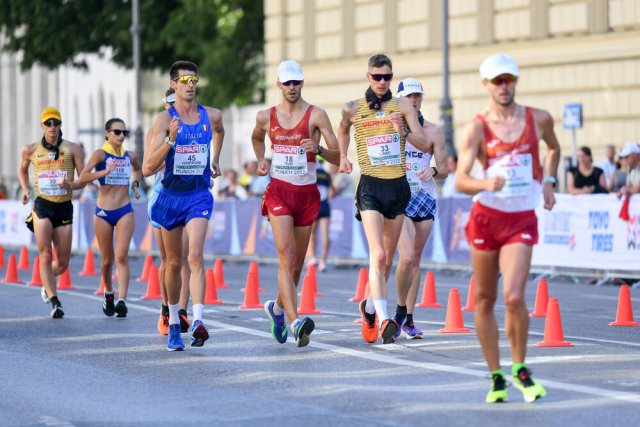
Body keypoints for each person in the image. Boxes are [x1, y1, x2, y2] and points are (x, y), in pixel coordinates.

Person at [455, 54, 560, 403]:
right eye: (497, 81)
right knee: (484, 298)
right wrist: (485, 184)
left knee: (514, 295)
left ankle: (520, 368)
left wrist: (549, 183)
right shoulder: (477, 128)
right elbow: (461, 180)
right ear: (485, 84)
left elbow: (554, 150)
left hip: (520, 220)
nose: (504, 86)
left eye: (508, 79)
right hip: (487, 217)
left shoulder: (538, 118)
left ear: (515, 81)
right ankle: (496, 375)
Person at [338, 54, 430, 344]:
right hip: (370, 187)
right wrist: (342, 155)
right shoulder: (352, 108)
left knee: (388, 260)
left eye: (387, 77)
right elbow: (342, 128)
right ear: (368, 77)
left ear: (391, 78)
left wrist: (400, 130)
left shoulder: (403, 106)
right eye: (376, 77)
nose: (381, 82)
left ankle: (367, 309)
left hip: (398, 186)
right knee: (377, 255)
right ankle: (384, 319)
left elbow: (424, 142)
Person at [252, 59, 340, 347]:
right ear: (278, 84)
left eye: (296, 82)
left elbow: (339, 156)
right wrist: (260, 160)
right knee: (285, 257)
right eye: (287, 82)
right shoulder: (266, 116)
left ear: (302, 83)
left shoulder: (317, 115)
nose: (292, 87)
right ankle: (295, 321)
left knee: (297, 267)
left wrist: (320, 150)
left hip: (306, 195)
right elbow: (256, 138)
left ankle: (276, 309)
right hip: (279, 193)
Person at [143, 60, 224, 351]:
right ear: (173, 85)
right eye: (184, 80)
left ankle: (199, 320)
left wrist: (215, 160)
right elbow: (147, 168)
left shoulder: (211, 116)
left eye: (194, 79)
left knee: (195, 256)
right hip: (168, 197)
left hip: (198, 195)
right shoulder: (164, 121)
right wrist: (169, 140)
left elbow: (220, 132)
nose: (190, 84)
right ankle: (173, 322)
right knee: (172, 263)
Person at [391, 78, 447, 339]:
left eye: (418, 97)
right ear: (401, 99)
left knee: (416, 259)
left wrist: (433, 169)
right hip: (400, 197)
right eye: (409, 97)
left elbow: (445, 169)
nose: (414, 101)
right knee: (407, 258)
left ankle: (409, 319)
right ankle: (399, 310)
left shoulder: (433, 131)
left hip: (424, 198)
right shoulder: (390, 128)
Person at [19, 107, 85, 318]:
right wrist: (26, 188)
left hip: (64, 206)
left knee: (63, 262)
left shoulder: (73, 149)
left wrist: (71, 184)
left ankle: (47, 282)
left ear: (60, 125)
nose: (52, 128)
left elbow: (82, 179)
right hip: (42, 206)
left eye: (56, 123)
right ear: (42, 126)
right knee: (45, 253)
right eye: (48, 124)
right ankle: (55, 300)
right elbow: (22, 170)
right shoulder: (30, 149)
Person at [77, 118, 142, 318]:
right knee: (107, 261)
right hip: (103, 212)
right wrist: (105, 171)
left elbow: (138, 170)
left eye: (125, 132)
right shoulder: (100, 154)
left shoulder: (130, 156)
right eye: (117, 132)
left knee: (122, 256)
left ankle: (122, 300)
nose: (121, 135)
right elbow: (82, 177)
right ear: (107, 133)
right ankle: (109, 292)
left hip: (124, 210)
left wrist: (135, 184)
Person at [144, 89, 192, 336]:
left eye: (180, 102)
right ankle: (165, 307)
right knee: (168, 260)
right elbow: (147, 166)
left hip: (187, 194)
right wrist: (168, 147)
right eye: (172, 103)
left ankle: (181, 310)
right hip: (162, 196)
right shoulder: (156, 129)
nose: (176, 107)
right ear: (165, 105)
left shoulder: (193, 124)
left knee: (184, 257)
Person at [307, 158, 333, 272]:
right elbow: (332, 192)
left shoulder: (311, 172)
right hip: (325, 204)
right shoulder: (327, 175)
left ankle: (313, 258)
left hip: (314, 204)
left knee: (312, 233)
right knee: (325, 234)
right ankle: (323, 261)